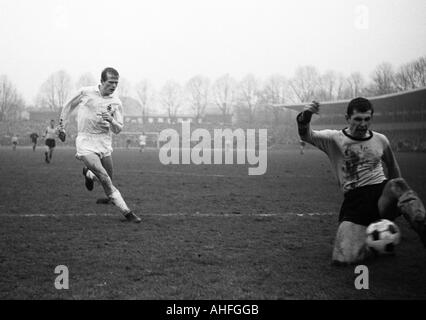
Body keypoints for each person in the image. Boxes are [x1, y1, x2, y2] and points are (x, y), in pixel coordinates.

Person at [296, 97, 426, 265]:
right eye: (358, 119)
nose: (363, 124)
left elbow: (393, 169)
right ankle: (372, 243)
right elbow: (306, 134)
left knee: (397, 184)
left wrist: (396, 207)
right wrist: (306, 116)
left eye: (367, 119)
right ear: (347, 118)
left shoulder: (380, 139)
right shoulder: (333, 139)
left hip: (381, 195)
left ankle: (422, 225)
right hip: (355, 202)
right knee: (343, 259)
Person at [58, 67, 141, 223]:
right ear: (102, 81)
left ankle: (88, 174)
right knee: (104, 177)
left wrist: (111, 120)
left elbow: (118, 129)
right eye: (110, 82)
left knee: (108, 177)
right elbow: (68, 106)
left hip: (104, 142)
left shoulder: (116, 102)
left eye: (116, 83)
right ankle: (128, 213)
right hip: (86, 142)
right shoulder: (86, 92)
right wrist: (62, 126)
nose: (114, 86)